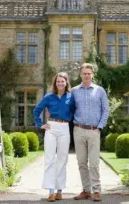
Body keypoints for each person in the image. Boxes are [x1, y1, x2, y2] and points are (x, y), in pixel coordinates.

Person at [33, 72, 75, 202]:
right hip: (51, 128)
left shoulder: (70, 97)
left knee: (62, 159)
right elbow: (36, 110)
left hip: (64, 128)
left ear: (66, 82)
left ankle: (59, 191)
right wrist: (40, 124)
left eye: (63, 81)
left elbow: (74, 111)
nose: (60, 83)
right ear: (55, 83)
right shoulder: (49, 97)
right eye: (58, 81)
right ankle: (51, 191)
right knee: (50, 158)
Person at [72, 63, 109, 202]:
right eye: (84, 73)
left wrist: (100, 127)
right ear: (80, 74)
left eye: (89, 73)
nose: (86, 75)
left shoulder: (100, 91)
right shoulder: (74, 91)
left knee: (94, 163)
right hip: (79, 130)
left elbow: (105, 110)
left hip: (94, 130)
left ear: (92, 74)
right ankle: (86, 190)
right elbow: (68, 108)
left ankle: (97, 190)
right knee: (81, 162)